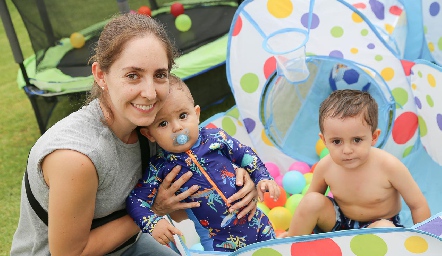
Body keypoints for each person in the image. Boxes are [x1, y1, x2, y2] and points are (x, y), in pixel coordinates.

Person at [11, 13, 259, 256]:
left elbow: (184, 198)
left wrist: (238, 182)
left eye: (159, 75)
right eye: (133, 75)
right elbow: (69, 252)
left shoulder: (155, 125)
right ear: (100, 75)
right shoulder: (77, 157)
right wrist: (155, 209)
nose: (150, 93)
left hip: (129, 243)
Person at [126, 79, 279, 252]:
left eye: (183, 116)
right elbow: (136, 200)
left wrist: (262, 177)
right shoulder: (159, 168)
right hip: (219, 244)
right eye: (163, 123)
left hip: (259, 224)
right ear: (149, 134)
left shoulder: (217, 139)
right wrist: (153, 223)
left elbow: (245, 154)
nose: (177, 127)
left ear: (196, 114)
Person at [281, 89, 431, 237]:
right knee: (312, 201)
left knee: (384, 227)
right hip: (340, 222)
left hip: (379, 224)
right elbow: (309, 202)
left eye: (357, 140)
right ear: (324, 140)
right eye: (337, 141)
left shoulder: (389, 166)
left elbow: (418, 205)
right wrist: (293, 230)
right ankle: (291, 244)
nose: (347, 150)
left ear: (373, 137)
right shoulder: (326, 166)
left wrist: (425, 241)